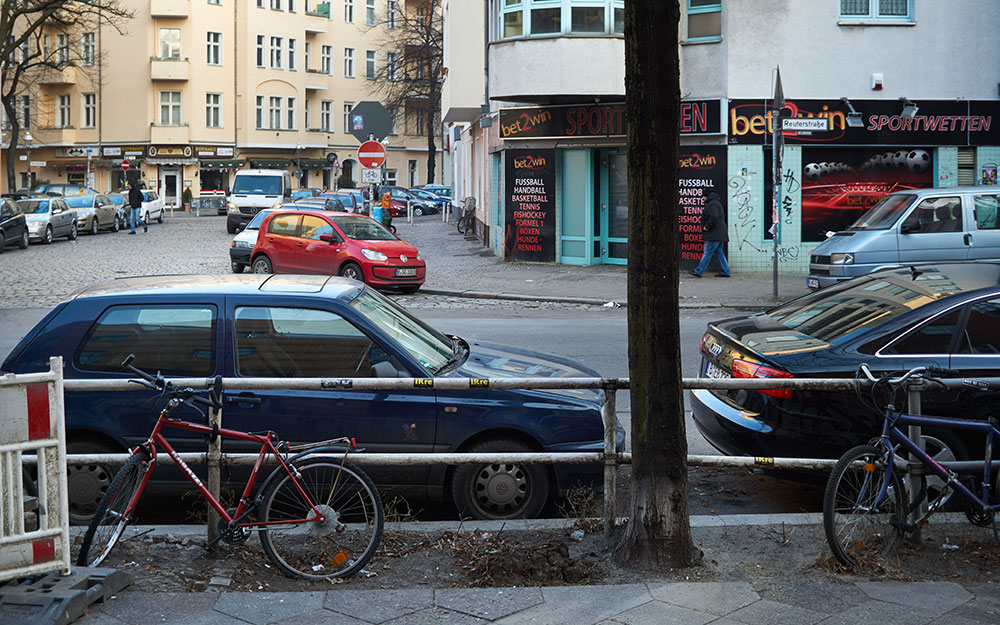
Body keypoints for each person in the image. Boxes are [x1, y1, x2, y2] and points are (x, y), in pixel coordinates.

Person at [687, 191, 730, 278]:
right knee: (719, 253)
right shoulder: (716, 202)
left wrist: (707, 226)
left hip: (713, 234)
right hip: (719, 233)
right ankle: (726, 272)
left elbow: (714, 217)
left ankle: (699, 271)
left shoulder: (712, 204)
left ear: (706, 196)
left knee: (707, 253)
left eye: (702, 197)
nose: (701, 199)